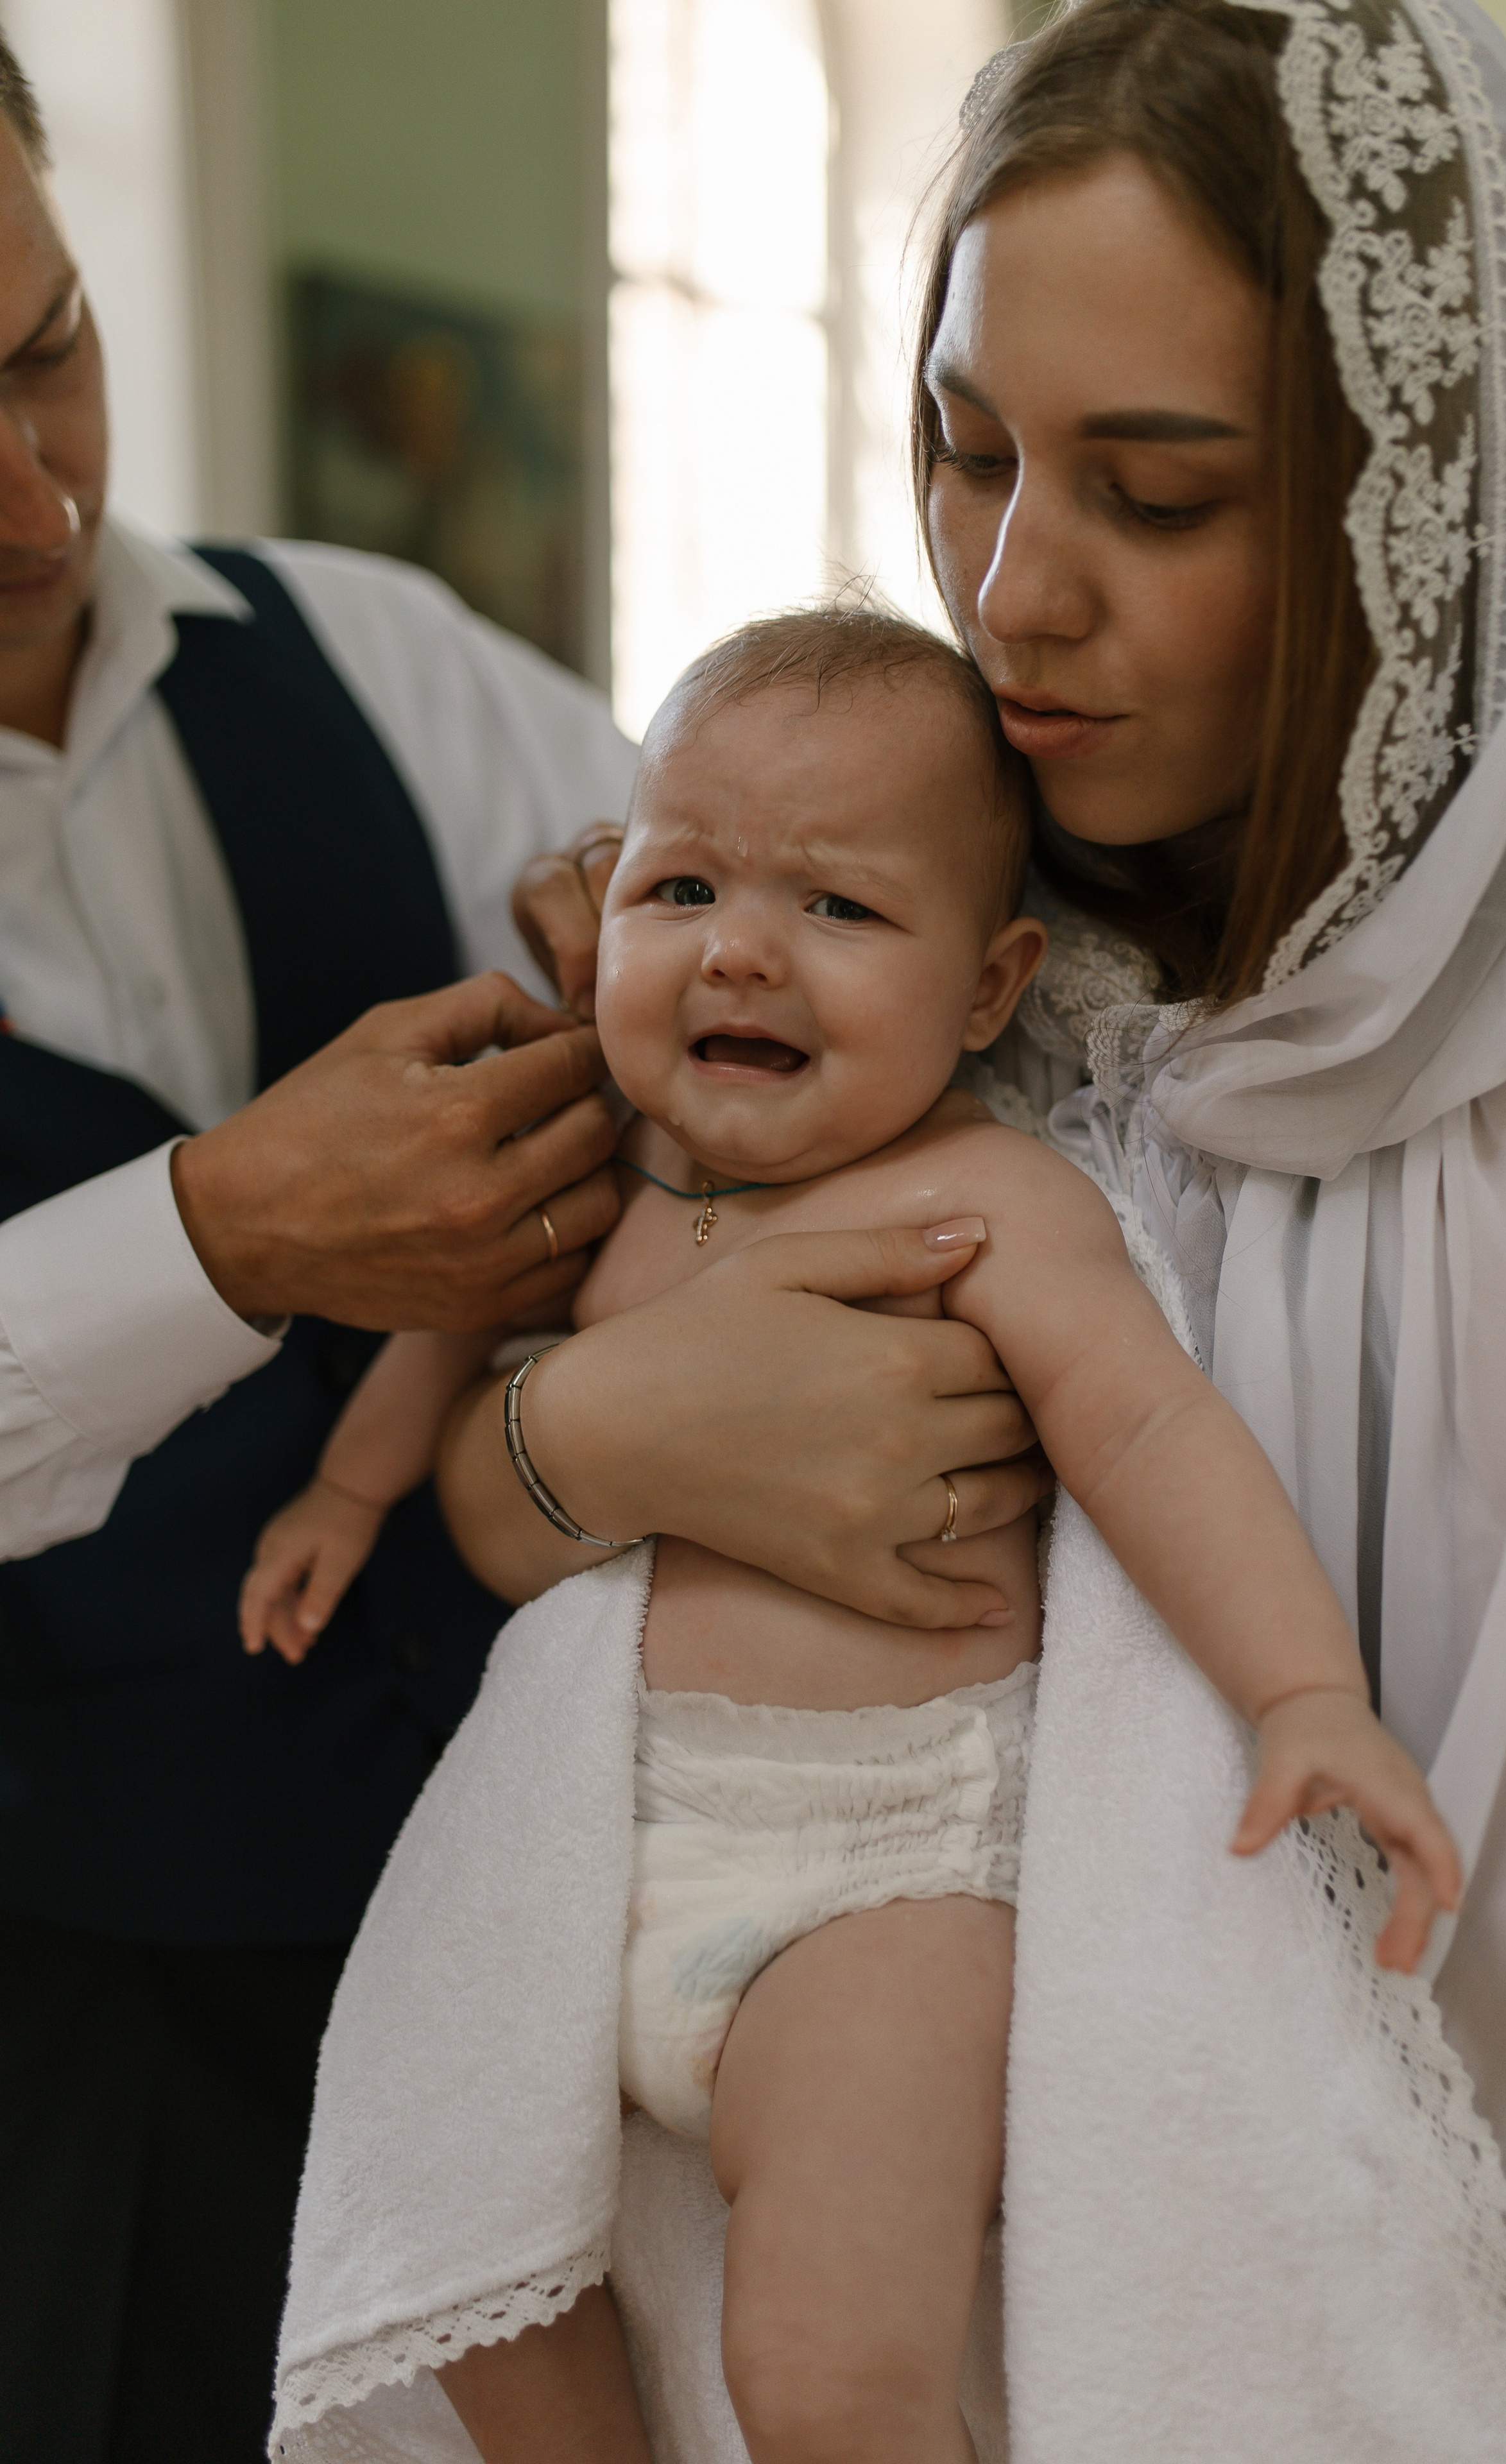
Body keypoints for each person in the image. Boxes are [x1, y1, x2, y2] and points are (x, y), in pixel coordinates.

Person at [372, 0, 1506, 2441]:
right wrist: (585, 1433)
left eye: (1155, 500)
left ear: (1424, 516)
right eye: (965, 454)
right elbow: (525, 1520)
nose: (1013, 591)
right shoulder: (924, 999)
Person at [252, 603, 1459, 2463]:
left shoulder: (986, 1200)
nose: (742, 948)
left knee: (828, 2376)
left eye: (837, 908)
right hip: (589, 1856)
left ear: (988, 990)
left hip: (880, 1872)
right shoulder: (596, 1155)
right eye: (682, 890)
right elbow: (445, 1306)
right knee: (468, 2275)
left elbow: (1146, 1425)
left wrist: (1303, 1690)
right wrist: (347, 1487)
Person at [0, 38, 642, 2464]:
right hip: (71, 2029)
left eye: (47, 350)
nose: (34, 494)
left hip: (515, 1911)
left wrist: (689, 947)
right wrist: (220, 1228)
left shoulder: (375, 654)